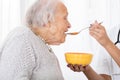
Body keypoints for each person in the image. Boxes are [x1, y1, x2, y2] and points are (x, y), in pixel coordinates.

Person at [0, 0, 71, 80]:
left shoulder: (40, 44)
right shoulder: (23, 37)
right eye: (65, 18)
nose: (69, 25)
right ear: (47, 20)